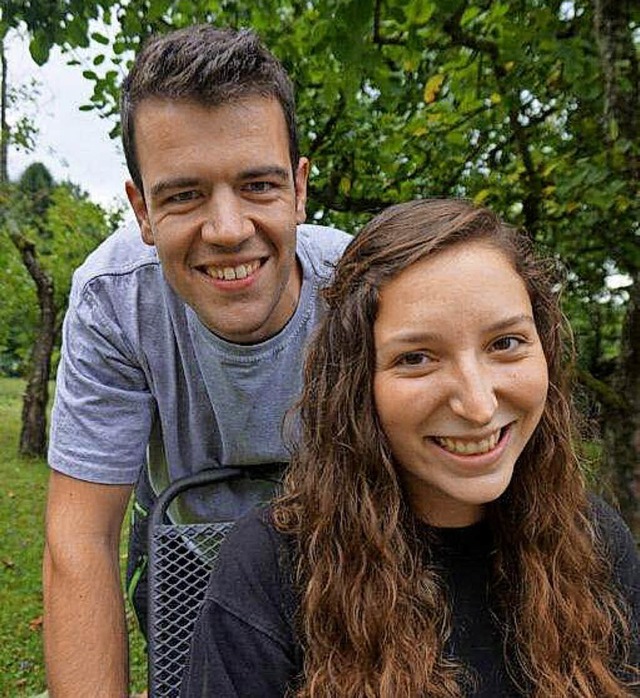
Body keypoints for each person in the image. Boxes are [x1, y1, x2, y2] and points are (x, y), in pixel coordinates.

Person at [182, 198, 640, 697]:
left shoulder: (593, 541)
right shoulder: (272, 568)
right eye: (417, 358)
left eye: (505, 343)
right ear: (358, 384)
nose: (478, 405)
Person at [42, 24, 350, 696]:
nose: (228, 229)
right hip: (186, 555)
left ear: (299, 189)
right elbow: (80, 544)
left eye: (259, 186)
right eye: (183, 195)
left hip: (349, 555)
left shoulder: (365, 288)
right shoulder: (112, 301)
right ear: (142, 210)